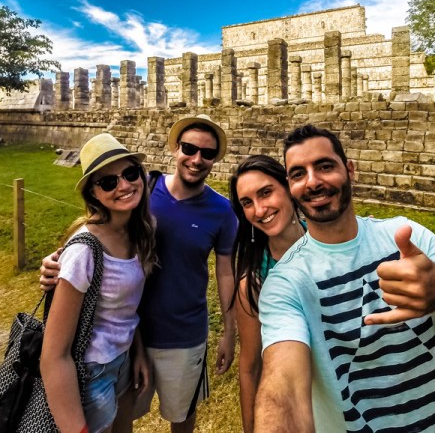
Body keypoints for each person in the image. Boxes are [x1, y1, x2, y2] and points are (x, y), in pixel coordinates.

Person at [254, 124, 435, 433]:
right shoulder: (285, 282)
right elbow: (282, 387)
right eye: (298, 174)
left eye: (325, 166)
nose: (313, 182)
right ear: (290, 186)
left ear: (350, 170)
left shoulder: (408, 238)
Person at [42, 115, 238, 433]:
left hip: (181, 335)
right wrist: (56, 262)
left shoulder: (222, 211)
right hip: (128, 341)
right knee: (118, 420)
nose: (197, 159)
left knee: (180, 416)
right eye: (189, 148)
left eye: (208, 153)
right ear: (175, 148)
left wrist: (229, 331)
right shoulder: (144, 191)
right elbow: (94, 236)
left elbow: (226, 273)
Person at [41, 133, 156, 433]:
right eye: (108, 182)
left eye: (130, 173)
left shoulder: (139, 231)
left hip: (124, 361)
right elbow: (54, 356)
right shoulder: (83, 251)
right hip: (92, 373)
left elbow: (129, 308)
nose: (124, 185)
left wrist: (138, 352)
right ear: (93, 193)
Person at [228, 155, 306, 433]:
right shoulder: (253, 285)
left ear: (288, 187)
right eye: (247, 203)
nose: (259, 210)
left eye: (266, 192)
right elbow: (250, 368)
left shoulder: (330, 242)